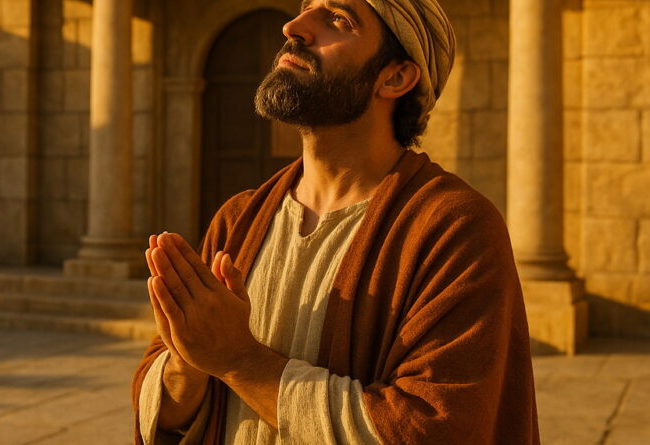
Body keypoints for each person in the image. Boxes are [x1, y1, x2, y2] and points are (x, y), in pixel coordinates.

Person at [132, 0, 540, 443]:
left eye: (337, 19)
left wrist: (238, 360)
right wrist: (189, 359)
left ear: (396, 77)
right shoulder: (238, 220)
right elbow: (165, 413)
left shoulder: (453, 227)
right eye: (307, 9)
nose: (293, 26)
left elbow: (430, 426)